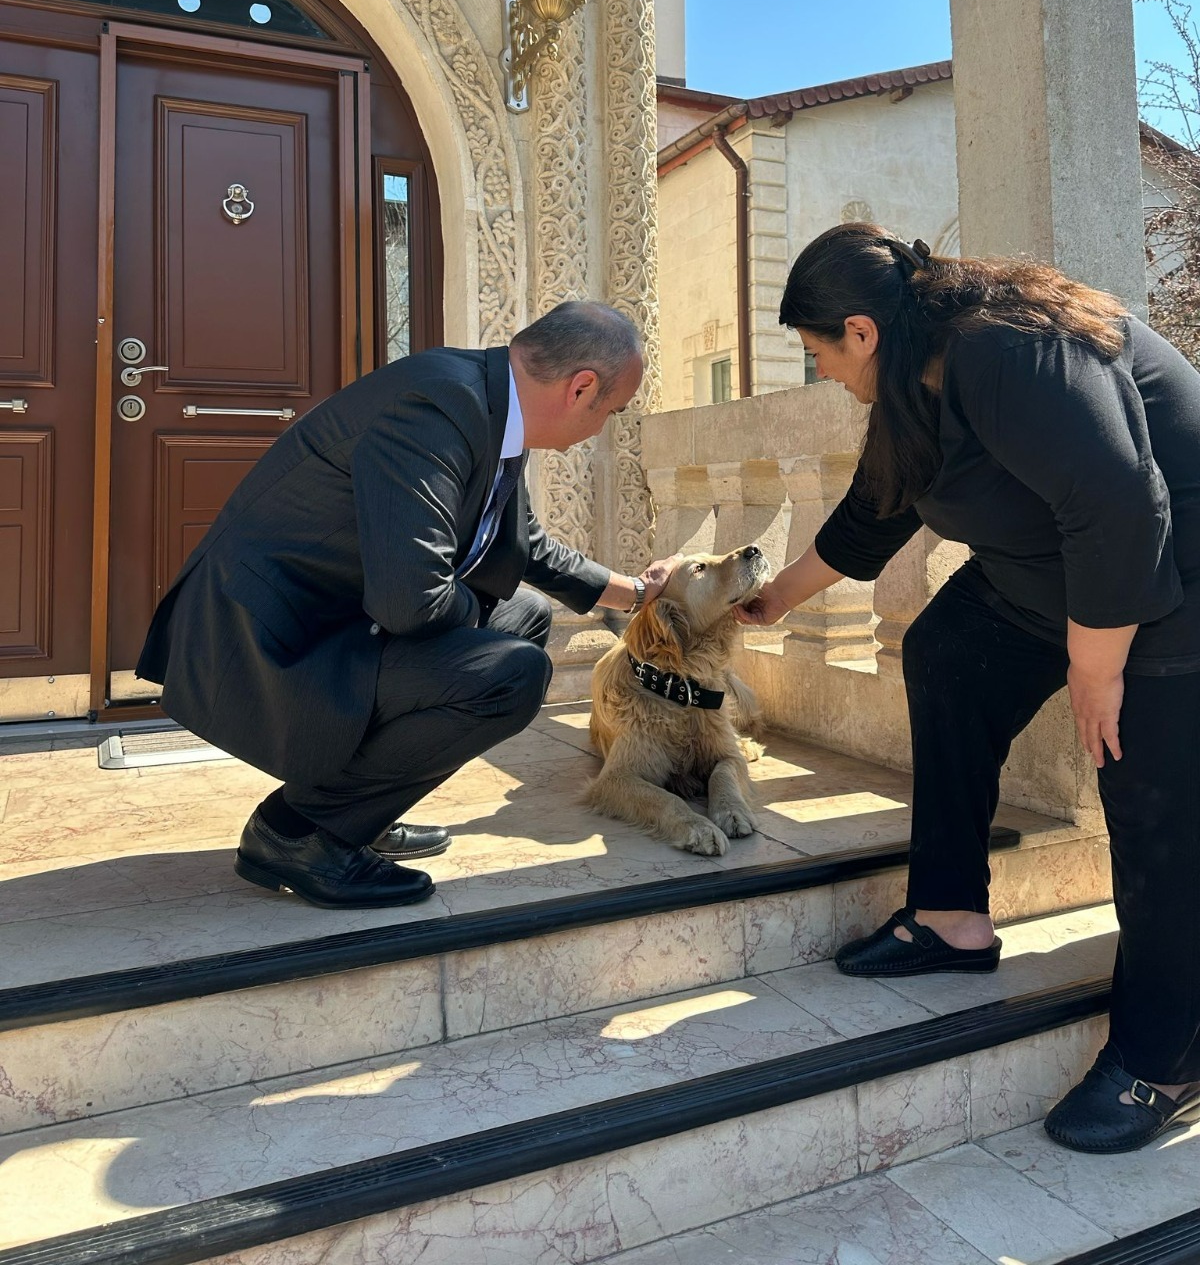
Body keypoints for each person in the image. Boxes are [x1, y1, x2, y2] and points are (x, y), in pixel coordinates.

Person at [736, 223, 1200, 1155]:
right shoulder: (913, 380)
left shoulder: (1006, 347)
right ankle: (951, 920)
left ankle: (1163, 1059)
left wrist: (1097, 667)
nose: (819, 369)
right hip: (1056, 578)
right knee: (949, 652)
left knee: (1149, 806)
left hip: (1169, 579)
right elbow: (874, 514)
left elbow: (1121, 500)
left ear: (861, 332)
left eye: (817, 349)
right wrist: (772, 600)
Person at [138, 301, 675, 911]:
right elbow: (411, 604)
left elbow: (518, 544)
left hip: (332, 619)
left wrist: (634, 592)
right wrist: (475, 626)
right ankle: (299, 832)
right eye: (611, 410)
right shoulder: (439, 408)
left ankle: (357, 808)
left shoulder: (490, 402)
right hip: (268, 639)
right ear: (581, 388)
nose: (603, 426)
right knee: (509, 673)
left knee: (524, 616)